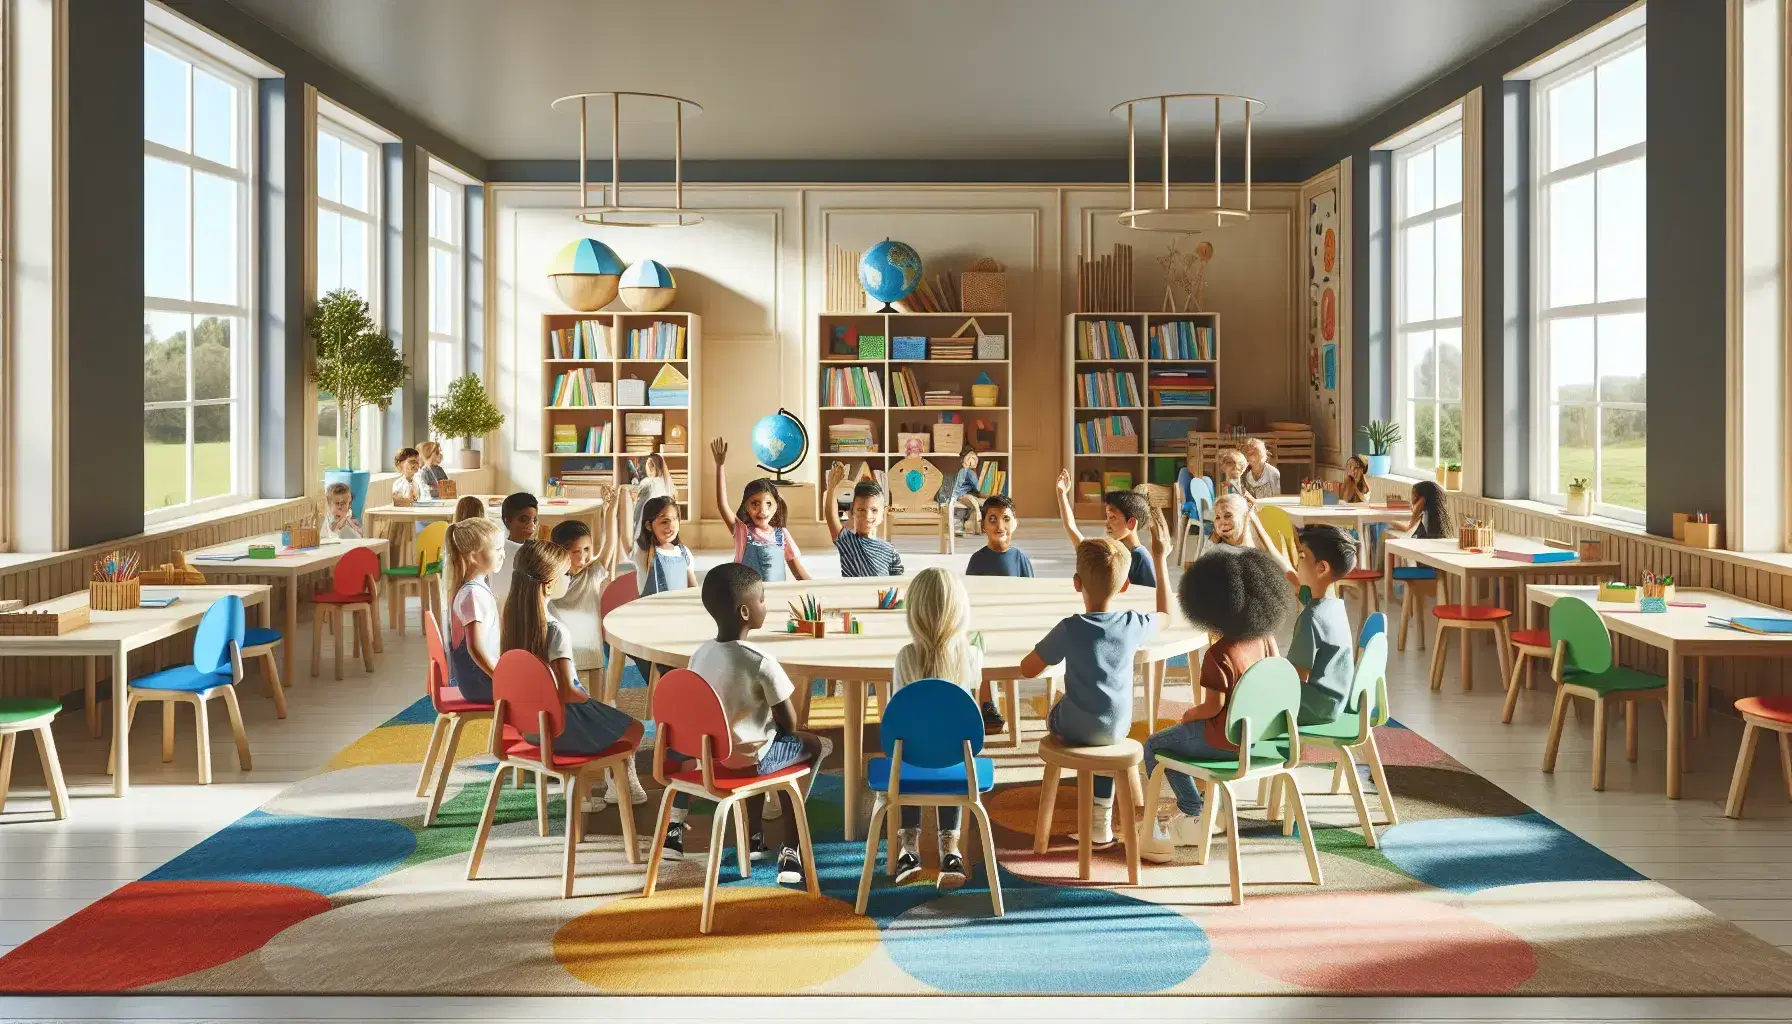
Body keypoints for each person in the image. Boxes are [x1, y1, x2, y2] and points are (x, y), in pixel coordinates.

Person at [662, 563, 831, 886]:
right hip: (749, 762)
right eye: (763, 599)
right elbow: (791, 721)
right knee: (810, 745)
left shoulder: (700, 654)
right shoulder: (761, 661)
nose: (766, 605)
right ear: (745, 611)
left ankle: (754, 838)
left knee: (761, 744)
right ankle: (790, 848)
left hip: (711, 758)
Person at [1020, 511, 1173, 846]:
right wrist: (1160, 559)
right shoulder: (1132, 624)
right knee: (1101, 730)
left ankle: (1096, 814)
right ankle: (1100, 817)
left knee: (1058, 708)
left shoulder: (1069, 627)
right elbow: (1165, 615)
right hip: (1119, 727)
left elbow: (1028, 669)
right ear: (1125, 585)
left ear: (1076, 583)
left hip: (1076, 726)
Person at [1138, 547, 1294, 862]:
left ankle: (1193, 812)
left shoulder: (1219, 654)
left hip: (1223, 740)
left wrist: (1188, 714)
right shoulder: (1264, 641)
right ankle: (1210, 810)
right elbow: (1275, 678)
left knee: (1155, 746)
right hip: (1259, 740)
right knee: (1178, 740)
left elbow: (1211, 708)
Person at [500, 540, 645, 774]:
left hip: (528, 728)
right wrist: (593, 701)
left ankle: (590, 785)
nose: (570, 578)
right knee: (635, 729)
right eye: (566, 574)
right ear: (548, 586)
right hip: (561, 728)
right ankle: (611, 785)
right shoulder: (556, 630)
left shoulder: (512, 624)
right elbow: (568, 691)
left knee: (610, 720)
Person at [889, 567, 984, 890]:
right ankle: (950, 849)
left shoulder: (905, 658)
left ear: (913, 611)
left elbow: (898, 719)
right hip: (956, 761)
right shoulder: (971, 656)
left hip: (910, 761)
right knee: (952, 752)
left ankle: (908, 847)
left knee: (910, 753)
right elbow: (969, 716)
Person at [711, 437, 810, 582]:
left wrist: (818, 590)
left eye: (768, 504)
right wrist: (720, 466)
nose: (762, 510)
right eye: (755, 504)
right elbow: (722, 504)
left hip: (776, 598)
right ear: (746, 506)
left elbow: (799, 573)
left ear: (776, 505)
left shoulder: (781, 535)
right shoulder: (742, 531)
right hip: (747, 599)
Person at [1290, 524, 1358, 727]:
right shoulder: (1334, 605)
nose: (1296, 564)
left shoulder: (1311, 618)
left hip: (1315, 709)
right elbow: (1288, 573)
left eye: (1302, 557)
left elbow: (1294, 679)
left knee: (1246, 696)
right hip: (1336, 700)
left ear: (1322, 568)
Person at [630, 494, 696, 687]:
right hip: (653, 623)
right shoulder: (643, 554)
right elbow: (626, 538)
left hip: (680, 620)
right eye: (664, 521)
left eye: (675, 520)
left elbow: (693, 589)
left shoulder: (684, 552)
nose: (671, 526)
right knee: (662, 667)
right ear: (649, 525)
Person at [1052, 469, 1157, 588]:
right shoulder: (1112, 552)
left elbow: (1149, 596)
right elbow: (1074, 532)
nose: (1107, 524)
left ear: (1131, 523)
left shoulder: (1140, 557)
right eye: (1107, 517)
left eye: (1112, 518)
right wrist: (1062, 494)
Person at [444, 517, 505, 703]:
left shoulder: (473, 589)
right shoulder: (472, 595)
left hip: (476, 681)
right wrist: (502, 678)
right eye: (497, 549)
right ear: (473, 556)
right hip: (480, 683)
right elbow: (476, 649)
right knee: (540, 690)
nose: (503, 554)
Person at [826, 463, 905, 577]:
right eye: (861, 510)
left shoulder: (890, 550)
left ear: (882, 513)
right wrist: (832, 487)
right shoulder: (847, 541)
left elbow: (898, 584)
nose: (868, 515)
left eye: (874, 510)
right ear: (852, 512)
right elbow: (830, 517)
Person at [489, 492, 539, 610]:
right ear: (507, 521)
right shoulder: (496, 553)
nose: (531, 526)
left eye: (534, 520)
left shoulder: (539, 553)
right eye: (523, 520)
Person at [623, 453, 676, 551]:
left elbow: (638, 501)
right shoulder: (664, 484)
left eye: (648, 465)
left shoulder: (648, 482)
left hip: (646, 520)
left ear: (652, 467)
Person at [943, 450, 984, 535]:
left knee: (967, 508)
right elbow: (978, 487)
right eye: (970, 458)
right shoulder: (969, 472)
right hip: (962, 495)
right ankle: (973, 527)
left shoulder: (963, 471)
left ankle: (962, 525)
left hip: (958, 495)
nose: (974, 460)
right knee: (975, 505)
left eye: (974, 457)